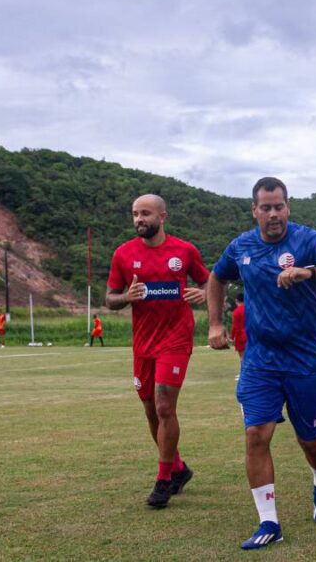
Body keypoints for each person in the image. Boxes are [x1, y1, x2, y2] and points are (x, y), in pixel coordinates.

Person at [208, 177, 316, 550]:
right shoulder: (241, 246)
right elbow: (216, 278)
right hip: (260, 360)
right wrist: (214, 323)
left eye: (279, 206)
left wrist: (310, 272)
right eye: (266, 207)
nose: (273, 214)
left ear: (288, 207)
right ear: (254, 210)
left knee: (309, 439)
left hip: (304, 358)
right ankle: (269, 522)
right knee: (256, 434)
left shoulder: (307, 240)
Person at [106, 194, 209, 509]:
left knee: (165, 406)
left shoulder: (184, 251)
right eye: (135, 214)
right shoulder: (123, 254)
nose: (139, 219)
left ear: (162, 216)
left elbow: (210, 283)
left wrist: (202, 295)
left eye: (146, 214)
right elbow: (110, 298)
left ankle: (163, 480)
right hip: (143, 344)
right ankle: (178, 468)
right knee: (151, 410)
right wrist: (127, 296)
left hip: (176, 339)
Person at [230, 293, 247, 380]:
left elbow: (234, 326)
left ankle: (244, 374)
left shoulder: (237, 311)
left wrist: (231, 337)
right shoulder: (250, 309)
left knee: (242, 357)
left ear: (237, 300)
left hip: (241, 336)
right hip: (251, 335)